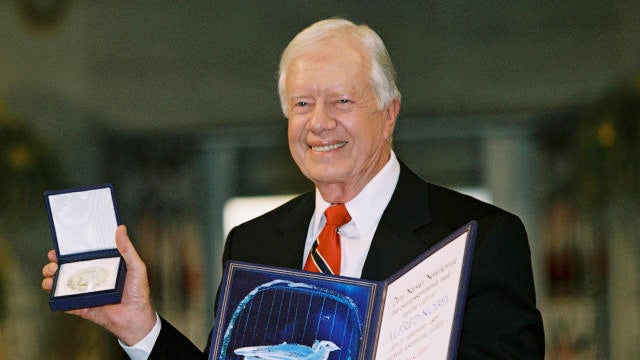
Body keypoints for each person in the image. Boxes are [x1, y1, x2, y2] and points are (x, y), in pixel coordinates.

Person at [42, 17, 545, 359]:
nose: (319, 125)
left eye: (342, 101)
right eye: (302, 104)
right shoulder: (253, 242)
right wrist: (140, 327)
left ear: (389, 113)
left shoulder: (478, 238)